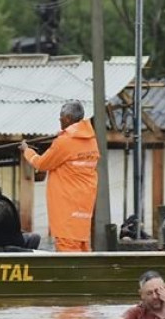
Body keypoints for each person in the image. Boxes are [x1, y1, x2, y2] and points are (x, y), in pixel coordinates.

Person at [18, 100, 99, 252]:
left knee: (67, 248)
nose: (59, 120)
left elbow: (42, 164)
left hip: (66, 206)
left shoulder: (65, 141)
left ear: (67, 118)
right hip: (83, 206)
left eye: (60, 117)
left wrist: (27, 151)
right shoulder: (91, 141)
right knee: (82, 245)